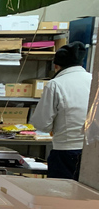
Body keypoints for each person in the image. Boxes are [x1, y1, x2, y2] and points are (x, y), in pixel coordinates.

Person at [31, 41, 92, 180]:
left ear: (56, 65)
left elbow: (42, 124)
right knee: (89, 197)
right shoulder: (94, 80)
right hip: (93, 151)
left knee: (61, 198)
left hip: (66, 152)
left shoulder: (56, 84)